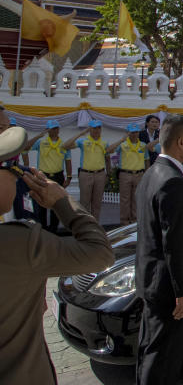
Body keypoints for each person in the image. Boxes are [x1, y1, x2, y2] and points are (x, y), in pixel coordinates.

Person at [0, 126, 114, 385]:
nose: (18, 179)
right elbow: (99, 253)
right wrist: (63, 202)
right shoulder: (18, 243)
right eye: (13, 171)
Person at [135, 114, 183, 384]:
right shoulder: (172, 181)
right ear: (181, 142)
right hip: (167, 288)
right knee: (164, 355)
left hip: (151, 279)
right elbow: (174, 243)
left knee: (150, 347)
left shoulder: (154, 172)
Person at [24, 120, 73, 232]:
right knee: (41, 203)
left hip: (58, 175)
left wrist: (69, 176)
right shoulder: (41, 142)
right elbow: (26, 147)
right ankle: (43, 229)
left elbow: (68, 160)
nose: (55, 130)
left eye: (56, 128)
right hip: (43, 176)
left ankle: (53, 229)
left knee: (56, 203)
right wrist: (39, 135)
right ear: (48, 130)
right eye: (52, 128)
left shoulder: (64, 144)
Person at [74, 120, 122, 222]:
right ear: (90, 129)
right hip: (86, 173)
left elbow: (107, 158)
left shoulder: (104, 143)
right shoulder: (83, 141)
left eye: (99, 128)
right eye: (94, 128)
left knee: (97, 202)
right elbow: (66, 146)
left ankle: (95, 224)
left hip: (100, 174)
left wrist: (108, 173)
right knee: (85, 202)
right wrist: (81, 133)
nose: (97, 130)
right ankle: (85, 224)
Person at [118, 123, 151, 226]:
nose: (134, 134)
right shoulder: (123, 145)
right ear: (128, 133)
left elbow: (147, 160)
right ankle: (124, 221)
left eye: (136, 132)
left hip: (139, 174)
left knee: (136, 198)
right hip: (125, 173)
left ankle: (135, 221)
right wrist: (121, 140)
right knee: (125, 199)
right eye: (132, 132)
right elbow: (109, 151)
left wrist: (147, 173)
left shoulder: (142, 145)